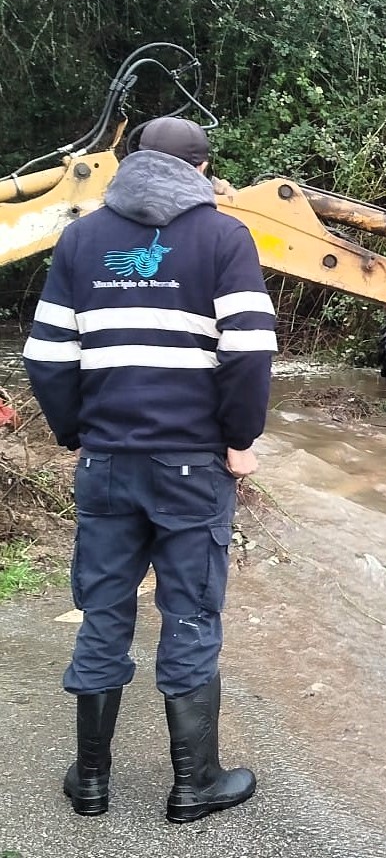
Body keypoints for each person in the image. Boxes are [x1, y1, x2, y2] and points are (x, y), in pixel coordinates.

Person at [22, 116, 277, 822]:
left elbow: (45, 356)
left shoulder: (81, 239)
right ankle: (194, 785)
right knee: (190, 613)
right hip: (193, 465)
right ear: (200, 170)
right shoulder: (225, 238)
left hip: (107, 462)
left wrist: (79, 430)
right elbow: (250, 352)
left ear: (133, 164)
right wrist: (239, 437)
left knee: (103, 611)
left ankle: (93, 782)